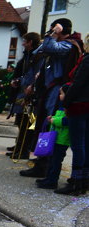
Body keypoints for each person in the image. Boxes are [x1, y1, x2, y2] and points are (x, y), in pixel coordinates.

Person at [21, 18, 84, 178]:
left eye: (54, 29)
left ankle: (46, 166)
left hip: (58, 91)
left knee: (50, 126)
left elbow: (49, 46)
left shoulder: (69, 44)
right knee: (44, 125)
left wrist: (52, 33)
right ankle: (42, 162)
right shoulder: (61, 44)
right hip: (50, 90)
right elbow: (38, 51)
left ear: (60, 29)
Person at [58, 39, 89, 195]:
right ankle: (83, 181)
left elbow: (78, 83)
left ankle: (76, 181)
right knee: (86, 144)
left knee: (78, 145)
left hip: (80, 105)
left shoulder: (87, 60)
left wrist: (66, 101)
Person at [7, 33, 43, 160]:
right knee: (22, 123)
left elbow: (37, 75)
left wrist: (32, 86)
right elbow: (26, 74)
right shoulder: (29, 55)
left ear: (31, 42)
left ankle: (24, 150)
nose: (23, 43)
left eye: (25, 41)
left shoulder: (38, 56)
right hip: (23, 93)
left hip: (31, 96)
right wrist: (18, 81)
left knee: (29, 124)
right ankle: (20, 148)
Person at [35, 85, 71, 190]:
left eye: (61, 94)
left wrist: (54, 120)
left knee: (56, 161)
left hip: (62, 140)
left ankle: (52, 181)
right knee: (51, 160)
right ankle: (48, 178)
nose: (59, 96)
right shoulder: (61, 107)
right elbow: (59, 118)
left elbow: (65, 121)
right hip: (56, 138)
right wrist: (53, 118)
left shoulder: (68, 108)